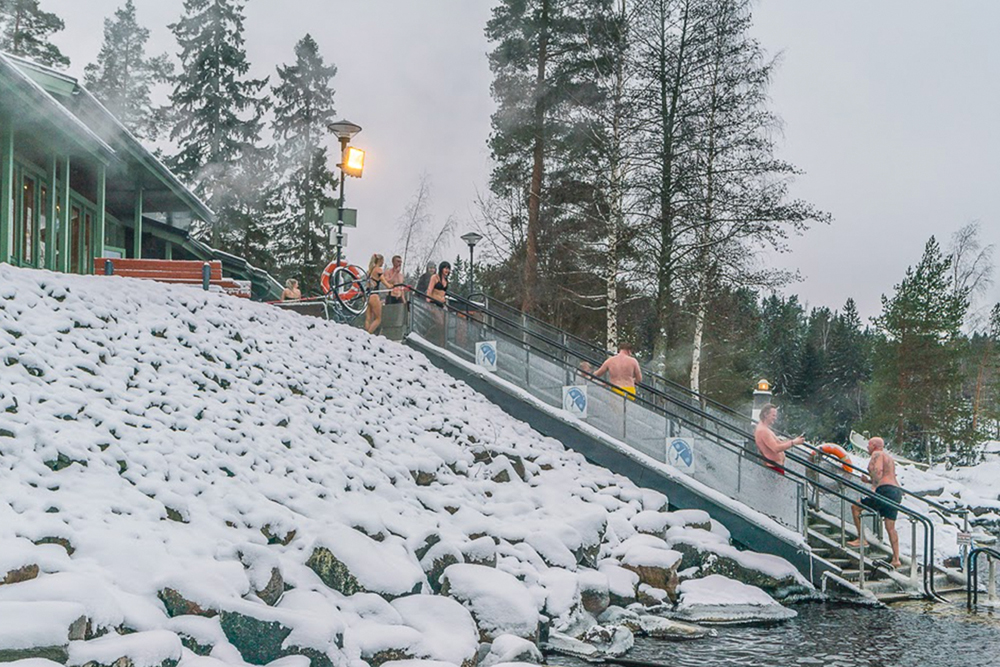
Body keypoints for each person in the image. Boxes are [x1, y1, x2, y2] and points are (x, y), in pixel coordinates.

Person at [848, 437, 903, 568]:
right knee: (890, 527)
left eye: (868, 444)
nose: (867, 447)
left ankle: (861, 539)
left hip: (884, 490)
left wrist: (874, 487)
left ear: (874, 445)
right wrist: (868, 481)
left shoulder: (877, 454)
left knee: (855, 507)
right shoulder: (888, 457)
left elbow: (878, 471)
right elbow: (887, 476)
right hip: (895, 491)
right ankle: (896, 559)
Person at [753, 404, 805, 475]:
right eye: (773, 415)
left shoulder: (766, 429)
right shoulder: (763, 430)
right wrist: (793, 443)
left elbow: (779, 443)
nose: (775, 418)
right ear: (766, 414)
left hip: (776, 467)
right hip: (773, 468)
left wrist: (795, 440)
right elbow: (776, 448)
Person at [365, 253, 387, 334]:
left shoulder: (369, 270)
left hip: (367, 295)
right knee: (378, 319)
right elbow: (384, 281)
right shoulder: (378, 270)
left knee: (368, 318)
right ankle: (368, 334)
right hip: (374, 294)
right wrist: (391, 286)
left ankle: (365, 332)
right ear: (380, 261)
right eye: (383, 261)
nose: (383, 263)